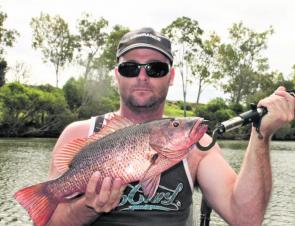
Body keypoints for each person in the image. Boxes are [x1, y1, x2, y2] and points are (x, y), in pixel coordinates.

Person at [46, 27, 295, 226]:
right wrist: (88, 206)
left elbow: (246, 219)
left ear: (171, 75)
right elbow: (47, 223)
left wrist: (261, 134)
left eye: (156, 68)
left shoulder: (198, 148)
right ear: (117, 74)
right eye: (130, 68)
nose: (142, 76)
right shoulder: (78, 134)